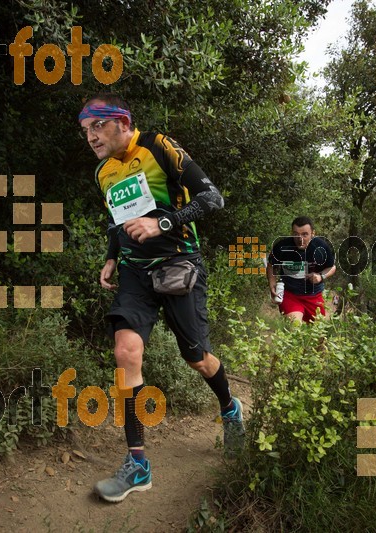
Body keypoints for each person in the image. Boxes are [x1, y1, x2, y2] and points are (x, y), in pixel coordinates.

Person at [78, 93, 244, 503]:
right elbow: (121, 221)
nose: (91, 137)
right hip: (135, 273)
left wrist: (162, 222)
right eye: (85, 131)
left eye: (96, 126)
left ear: (121, 120)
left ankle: (229, 408)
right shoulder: (102, 172)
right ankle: (137, 464)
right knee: (126, 352)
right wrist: (112, 256)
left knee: (198, 358)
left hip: (178, 265)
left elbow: (212, 198)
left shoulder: (158, 147)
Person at [267, 217, 336, 323]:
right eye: (296, 234)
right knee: (295, 328)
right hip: (290, 295)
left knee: (319, 336)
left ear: (313, 233)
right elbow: (271, 265)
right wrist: (272, 283)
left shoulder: (321, 247)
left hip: (314, 295)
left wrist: (320, 276)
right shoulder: (282, 246)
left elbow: (332, 267)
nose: (300, 239)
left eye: (305, 234)